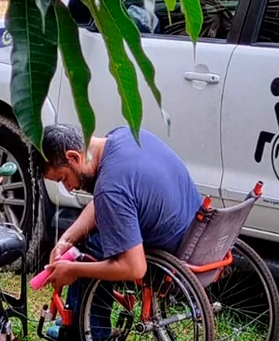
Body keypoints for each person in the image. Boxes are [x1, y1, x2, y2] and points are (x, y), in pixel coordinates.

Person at [41, 123, 203, 289]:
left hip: (177, 258)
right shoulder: (127, 134)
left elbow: (134, 268)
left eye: (63, 179)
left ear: (74, 157)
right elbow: (107, 203)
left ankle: (83, 307)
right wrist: (66, 240)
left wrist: (74, 270)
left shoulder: (110, 188)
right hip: (201, 235)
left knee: (91, 248)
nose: (68, 188)